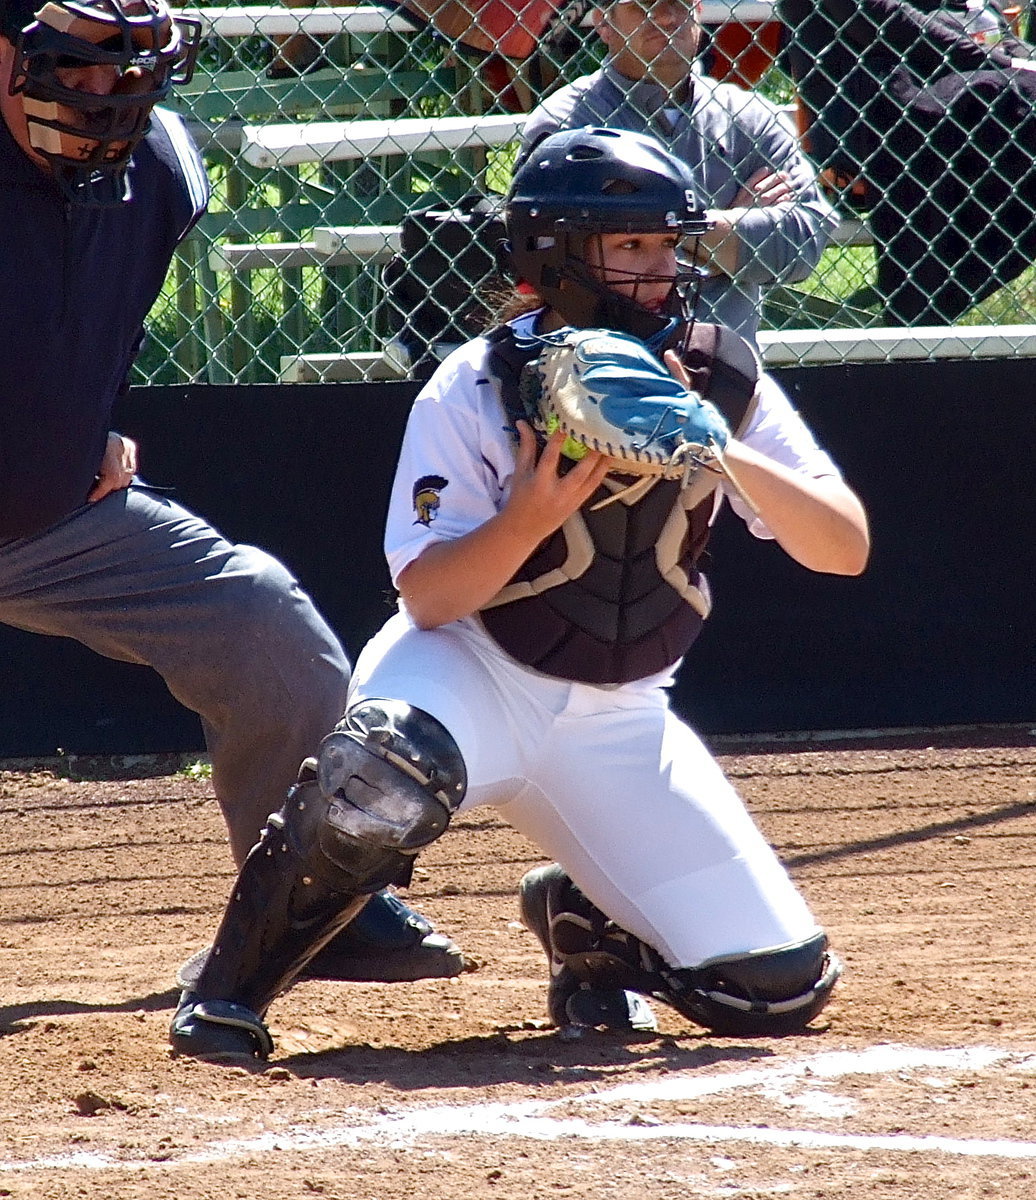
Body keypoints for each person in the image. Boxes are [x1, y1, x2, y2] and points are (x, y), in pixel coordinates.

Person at [169, 125, 869, 1061]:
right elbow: (429, 598)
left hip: (620, 718)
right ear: (557, 257)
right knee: (381, 771)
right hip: (469, 672)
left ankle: (592, 929)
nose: (662, 270)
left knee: (774, 988)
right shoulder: (480, 383)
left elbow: (843, 549)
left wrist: (719, 445)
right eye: (631, 247)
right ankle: (227, 995)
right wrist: (530, 515)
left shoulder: (720, 378)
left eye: (669, 243)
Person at [0, 0, 465, 988]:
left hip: (44, 522)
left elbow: (95, 316)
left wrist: (91, 422)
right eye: (74, 71)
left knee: (263, 626)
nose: (103, 100)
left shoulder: (156, 173)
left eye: (126, 73)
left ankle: (314, 905)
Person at [519, 0, 841, 346]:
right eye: (642, 7)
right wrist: (729, 232)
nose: (666, 17)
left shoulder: (749, 118)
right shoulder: (567, 124)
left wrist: (635, 233)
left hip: (723, 372)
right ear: (603, 23)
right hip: (598, 363)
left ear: (698, 13)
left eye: (679, 4)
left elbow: (803, 242)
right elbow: (550, 255)